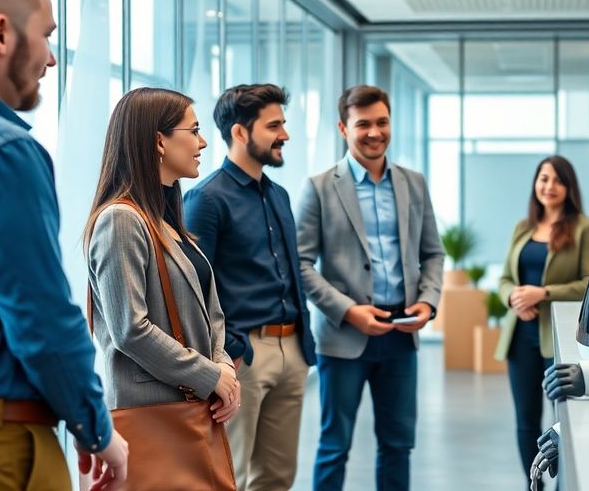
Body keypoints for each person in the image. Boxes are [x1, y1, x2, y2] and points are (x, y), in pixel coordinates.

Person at [0, 0, 129, 488]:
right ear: (1, 33)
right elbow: (40, 319)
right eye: (46, 34)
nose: (52, 59)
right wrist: (96, 428)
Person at [85, 87, 239, 479]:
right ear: (159, 140)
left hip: (190, 410)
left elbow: (211, 313)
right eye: (194, 130)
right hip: (153, 416)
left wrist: (222, 369)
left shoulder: (166, 220)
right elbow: (130, 330)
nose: (203, 142)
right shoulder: (121, 220)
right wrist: (208, 375)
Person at [298, 85, 444, 491]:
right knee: (334, 446)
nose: (374, 132)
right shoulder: (320, 187)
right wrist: (348, 311)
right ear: (344, 128)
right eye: (364, 124)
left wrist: (428, 304)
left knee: (398, 445)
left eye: (382, 122)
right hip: (344, 336)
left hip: (401, 333)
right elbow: (300, 263)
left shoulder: (414, 183)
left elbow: (433, 253)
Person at [185, 83, 316, 491]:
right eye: (274, 125)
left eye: (284, 124)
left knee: (277, 478)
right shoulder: (205, 200)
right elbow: (193, 290)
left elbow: (291, 274)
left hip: (291, 351)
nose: (285, 135)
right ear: (240, 132)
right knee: (231, 476)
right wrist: (231, 352)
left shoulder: (279, 195)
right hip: (244, 357)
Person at [495, 155, 589, 490]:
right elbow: (504, 280)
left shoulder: (585, 227)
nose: (549, 186)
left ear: (569, 187)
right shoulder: (522, 228)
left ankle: (563, 484)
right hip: (519, 337)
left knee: (562, 420)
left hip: (557, 338)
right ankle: (534, 485)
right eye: (543, 178)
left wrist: (542, 293)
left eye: (557, 180)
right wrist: (513, 297)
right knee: (525, 421)